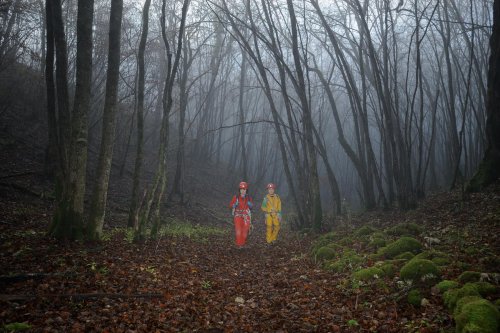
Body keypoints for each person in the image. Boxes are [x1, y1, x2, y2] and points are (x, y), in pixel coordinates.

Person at [229, 181, 253, 248]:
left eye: (244, 189)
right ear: (239, 190)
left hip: (246, 216)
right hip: (238, 215)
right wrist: (234, 205)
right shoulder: (236, 197)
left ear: (246, 190)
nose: (243, 191)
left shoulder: (248, 198)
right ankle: (239, 245)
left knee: (245, 231)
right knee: (238, 231)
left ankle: (242, 243)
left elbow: (251, 206)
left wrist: (250, 205)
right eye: (241, 189)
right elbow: (230, 205)